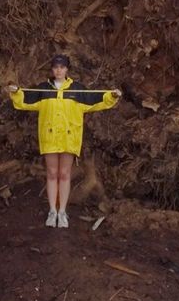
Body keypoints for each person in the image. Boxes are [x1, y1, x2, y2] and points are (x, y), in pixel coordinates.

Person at [7, 54, 122, 228]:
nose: (58, 70)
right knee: (52, 174)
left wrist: (112, 96)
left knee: (65, 174)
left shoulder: (77, 90)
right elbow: (24, 100)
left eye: (62, 67)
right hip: (50, 136)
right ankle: (52, 211)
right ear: (52, 69)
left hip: (69, 137)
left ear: (67, 69)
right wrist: (15, 92)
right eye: (55, 67)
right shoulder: (43, 89)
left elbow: (97, 100)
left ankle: (63, 212)